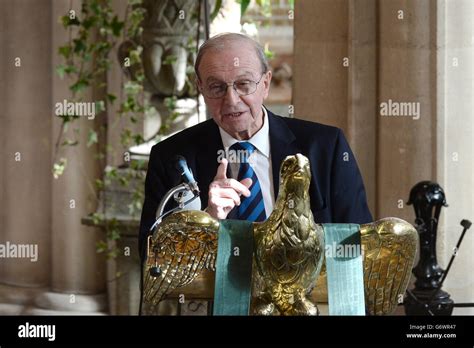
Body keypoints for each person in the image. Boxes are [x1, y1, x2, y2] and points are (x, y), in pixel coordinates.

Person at [138, 33, 372, 261]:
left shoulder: (326, 147)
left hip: (312, 297)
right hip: (217, 300)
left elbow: (359, 245)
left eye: (243, 84)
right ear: (201, 88)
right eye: (217, 87)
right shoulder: (172, 157)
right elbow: (151, 259)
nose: (231, 100)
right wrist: (207, 222)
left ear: (266, 83)